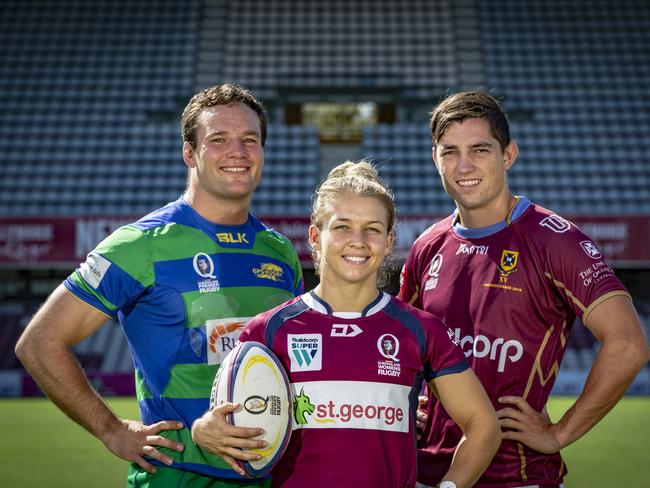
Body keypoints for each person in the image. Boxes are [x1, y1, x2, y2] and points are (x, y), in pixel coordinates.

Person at [15, 83, 303, 487]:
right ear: (189, 153)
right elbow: (39, 342)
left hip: (270, 476)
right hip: (178, 476)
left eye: (249, 140)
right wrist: (111, 429)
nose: (237, 151)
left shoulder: (279, 251)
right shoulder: (140, 245)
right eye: (218, 139)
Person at [192, 161, 501, 488]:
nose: (358, 240)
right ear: (315, 236)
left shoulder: (420, 329)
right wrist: (204, 428)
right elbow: (227, 417)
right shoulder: (268, 331)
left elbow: (483, 426)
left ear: (389, 240)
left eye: (372, 228)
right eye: (342, 227)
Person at [398, 90, 650, 487]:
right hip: (427, 474)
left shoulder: (555, 240)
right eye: (449, 152)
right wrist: (405, 404)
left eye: (479, 149)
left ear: (508, 154)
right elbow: (403, 346)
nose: (463, 166)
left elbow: (628, 344)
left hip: (517, 476)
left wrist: (560, 432)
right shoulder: (428, 245)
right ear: (435, 158)